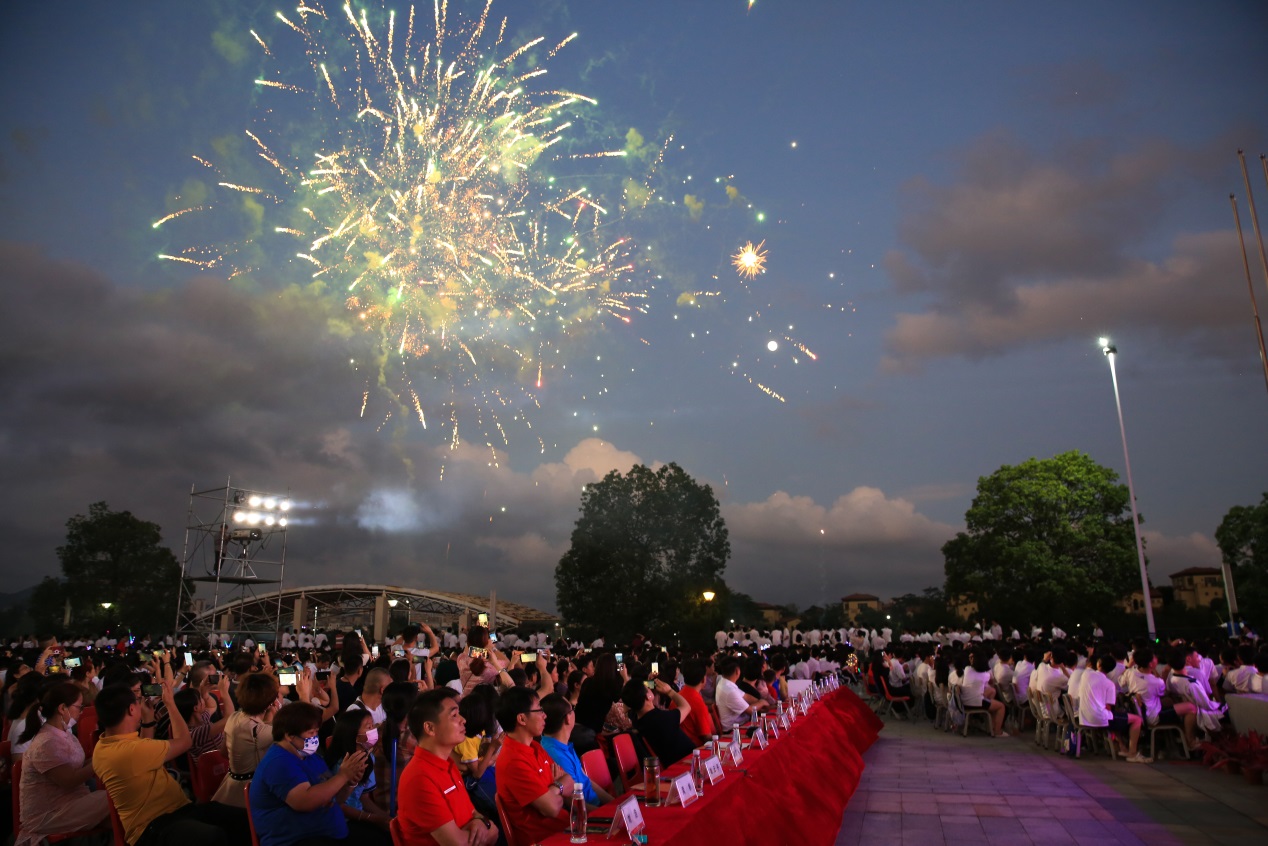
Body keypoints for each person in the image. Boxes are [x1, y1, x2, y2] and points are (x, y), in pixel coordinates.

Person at [93, 680, 249, 845]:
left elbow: (143, 749)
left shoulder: (103, 747)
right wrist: (170, 704)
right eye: (137, 701)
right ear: (132, 709)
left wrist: (148, 720)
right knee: (213, 836)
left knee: (243, 819)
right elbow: (185, 742)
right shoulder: (132, 750)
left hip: (176, 814)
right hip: (154, 826)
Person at [248, 701, 382, 846]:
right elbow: (304, 801)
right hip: (296, 839)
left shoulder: (311, 757)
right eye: (311, 733)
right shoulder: (279, 762)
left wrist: (350, 782)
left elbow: (334, 799)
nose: (315, 737)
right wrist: (343, 776)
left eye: (317, 732)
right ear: (289, 735)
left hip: (327, 832)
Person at [396, 688, 499, 845]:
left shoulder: (448, 764)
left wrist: (481, 822)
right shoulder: (420, 778)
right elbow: (457, 843)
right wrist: (488, 829)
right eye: (454, 715)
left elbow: (473, 812)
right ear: (430, 728)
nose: (463, 720)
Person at [16, 681, 109, 846]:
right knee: (116, 799)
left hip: (71, 802)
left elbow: (78, 766)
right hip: (49, 813)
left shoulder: (64, 734)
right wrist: (101, 760)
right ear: (62, 708)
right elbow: (69, 780)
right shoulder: (46, 742)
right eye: (79, 707)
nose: (81, 712)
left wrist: (104, 754)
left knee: (121, 811)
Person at [494, 686, 572, 846]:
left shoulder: (534, 746)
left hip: (566, 829)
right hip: (546, 839)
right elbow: (551, 808)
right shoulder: (513, 761)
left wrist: (554, 789)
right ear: (522, 719)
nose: (545, 715)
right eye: (539, 710)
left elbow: (570, 780)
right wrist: (559, 788)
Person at [211, 670, 282, 806]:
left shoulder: (234, 717)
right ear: (271, 702)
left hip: (230, 786)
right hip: (251, 792)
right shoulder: (261, 731)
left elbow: (223, 753)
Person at [323, 709, 392, 840]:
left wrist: (387, 818)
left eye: (373, 725)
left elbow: (364, 798)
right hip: (340, 820)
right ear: (354, 735)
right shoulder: (341, 764)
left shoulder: (369, 757)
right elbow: (336, 804)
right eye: (369, 727)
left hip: (359, 816)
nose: (374, 730)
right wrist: (372, 818)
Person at [539, 692, 615, 807]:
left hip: (598, 807)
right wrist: (608, 813)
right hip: (590, 812)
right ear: (568, 718)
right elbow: (575, 804)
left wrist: (614, 803)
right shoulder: (556, 757)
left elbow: (586, 780)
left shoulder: (560, 744)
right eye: (572, 709)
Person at [1080, 654, 1150, 763]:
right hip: (1099, 719)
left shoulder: (1086, 674)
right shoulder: (1109, 684)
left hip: (1083, 716)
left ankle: (1122, 747)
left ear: (1098, 664)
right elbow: (1109, 708)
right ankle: (1132, 753)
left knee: (1118, 717)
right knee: (1137, 719)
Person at [621, 677, 696, 766]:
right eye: (648, 689)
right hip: (686, 762)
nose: (650, 689)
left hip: (674, 762)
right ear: (648, 696)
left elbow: (628, 699)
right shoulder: (661, 719)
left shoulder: (635, 719)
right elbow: (686, 707)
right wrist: (670, 691)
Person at [714, 657, 766, 731]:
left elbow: (746, 696)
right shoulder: (729, 690)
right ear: (737, 671)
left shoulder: (725, 682)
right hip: (734, 730)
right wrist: (762, 702)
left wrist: (759, 702)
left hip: (741, 724)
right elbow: (751, 711)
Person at [677, 659, 716, 746]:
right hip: (695, 749)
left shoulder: (677, 697)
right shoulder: (697, 701)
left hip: (680, 747)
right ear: (703, 679)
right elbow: (707, 737)